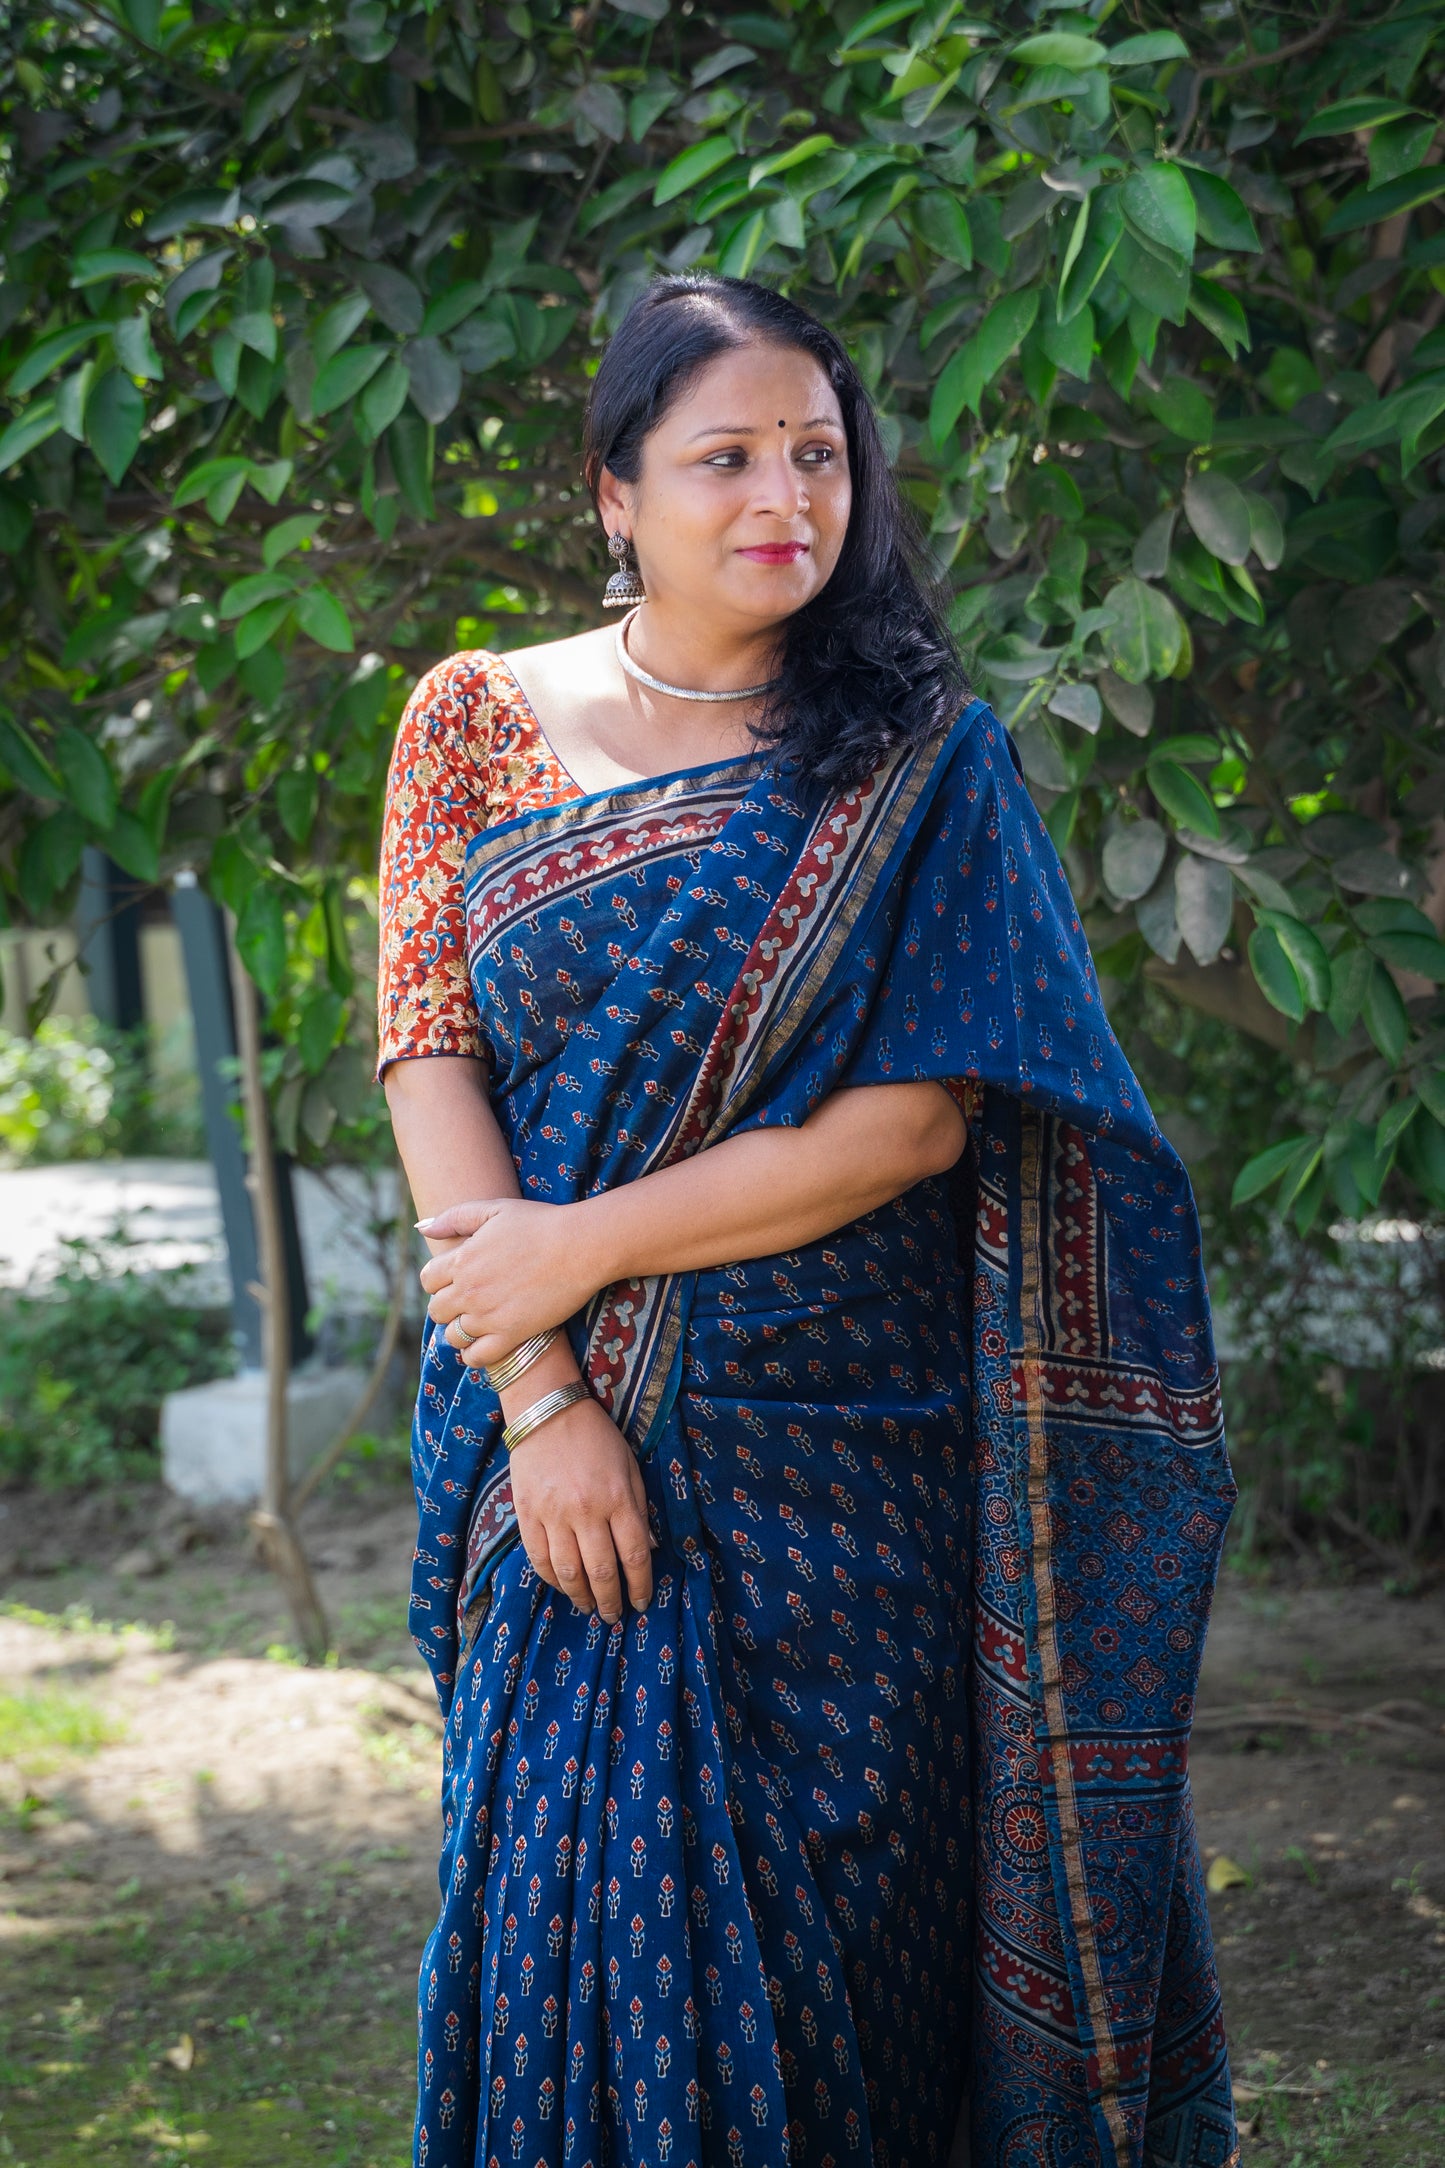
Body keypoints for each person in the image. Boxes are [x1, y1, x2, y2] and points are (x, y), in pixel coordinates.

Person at [378, 273, 1239, 2168]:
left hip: (852, 1470)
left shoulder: (921, 759)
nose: (787, 495)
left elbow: (913, 1126)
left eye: (819, 455)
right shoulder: (473, 722)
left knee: (844, 1973)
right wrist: (541, 1395)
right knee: (553, 1952)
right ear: (614, 491)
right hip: (557, 1460)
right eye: (728, 457)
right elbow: (428, 1059)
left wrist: (582, 1249)